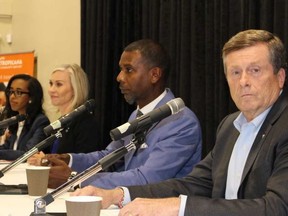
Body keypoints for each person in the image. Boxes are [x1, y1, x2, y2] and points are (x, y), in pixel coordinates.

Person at [72, 29, 288, 216]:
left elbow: (277, 208)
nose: (243, 82)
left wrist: (180, 207)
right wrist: (119, 194)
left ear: (280, 77)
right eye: (235, 72)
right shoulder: (230, 126)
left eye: (255, 70)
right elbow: (195, 184)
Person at [28, 39, 202, 189]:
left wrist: (74, 179)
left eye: (128, 70)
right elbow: (108, 156)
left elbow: (147, 178)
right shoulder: (136, 116)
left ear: (154, 74)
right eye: (120, 70)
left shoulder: (181, 121)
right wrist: (68, 160)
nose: (119, 77)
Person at [35, 64, 101, 156]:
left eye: (59, 84)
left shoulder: (86, 124)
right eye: (51, 83)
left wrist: (46, 161)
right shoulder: (60, 122)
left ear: (75, 89)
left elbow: (84, 164)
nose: (51, 90)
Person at [0, 74, 50, 160]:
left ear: (31, 97)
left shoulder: (41, 122)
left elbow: (28, 154)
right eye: (11, 91)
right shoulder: (17, 120)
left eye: (18, 92)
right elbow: (7, 148)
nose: (12, 97)